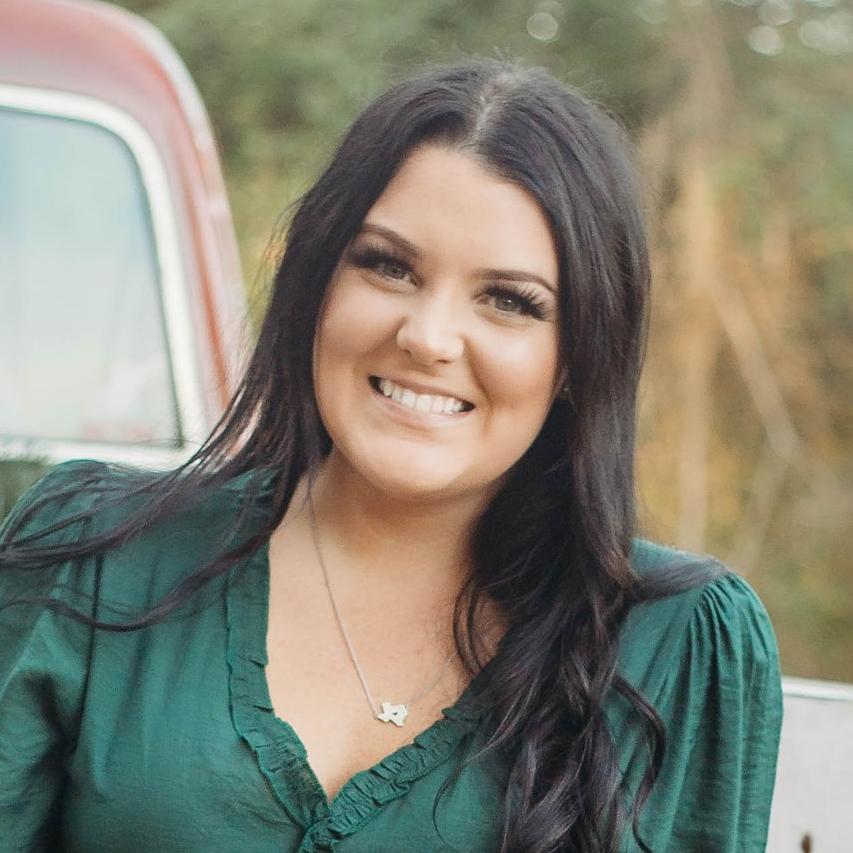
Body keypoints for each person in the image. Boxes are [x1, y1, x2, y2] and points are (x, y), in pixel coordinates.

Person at [0, 59, 783, 853]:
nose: (427, 337)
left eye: (508, 301)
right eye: (389, 265)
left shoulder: (675, 646)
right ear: (316, 279)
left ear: (578, 357)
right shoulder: (94, 553)